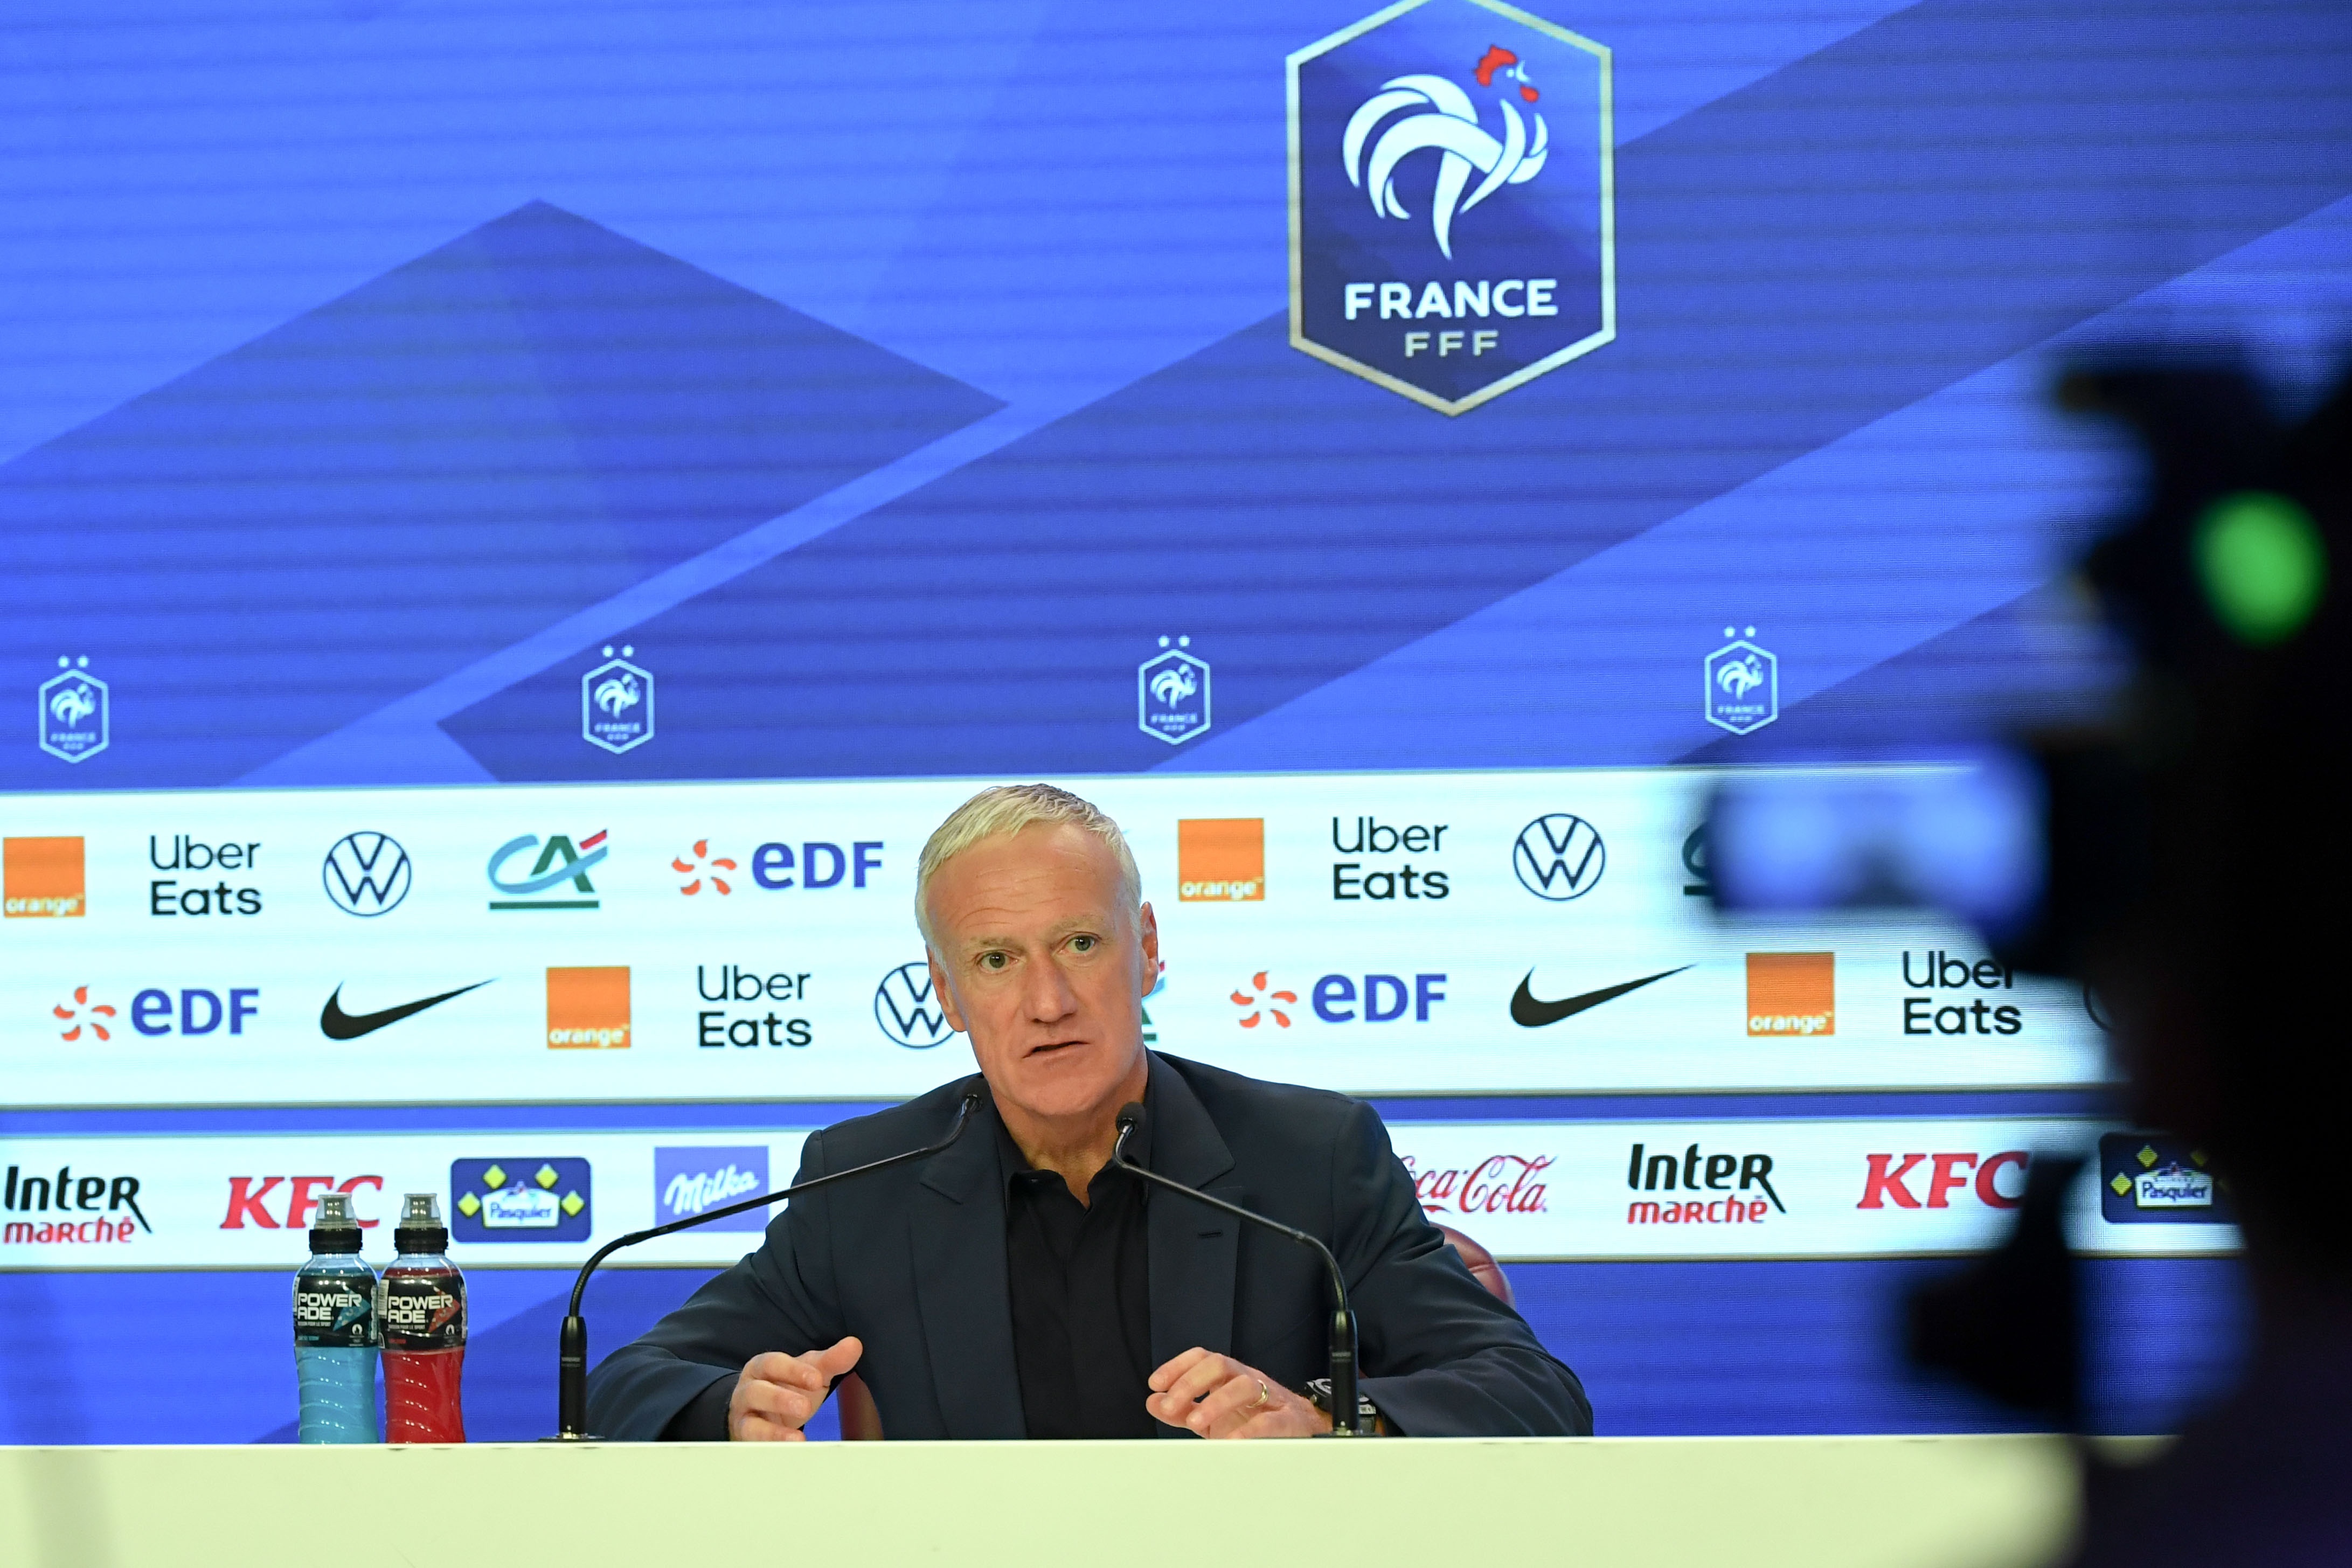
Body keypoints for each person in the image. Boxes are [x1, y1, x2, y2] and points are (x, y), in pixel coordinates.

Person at [587, 783, 1592, 1440]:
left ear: (1146, 947)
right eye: (995, 959)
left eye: (1078, 943)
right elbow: (631, 1379)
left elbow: (1531, 1390)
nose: (1046, 1001)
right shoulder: (866, 1185)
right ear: (946, 993)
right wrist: (731, 1406)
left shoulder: (1310, 1157)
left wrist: (1327, 1418)